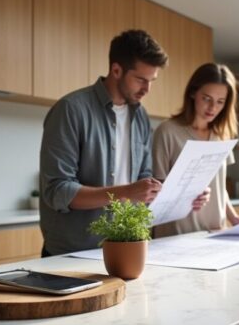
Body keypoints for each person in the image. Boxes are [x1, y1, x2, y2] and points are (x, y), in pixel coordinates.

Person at [39, 30, 172, 255]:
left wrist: (167, 193)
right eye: (140, 79)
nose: (147, 89)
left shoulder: (140, 116)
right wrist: (128, 192)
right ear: (116, 70)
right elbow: (58, 191)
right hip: (74, 253)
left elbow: (143, 176)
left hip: (126, 247)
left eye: (152, 81)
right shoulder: (71, 110)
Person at [152, 63, 239, 237]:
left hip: (216, 233)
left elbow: (219, 187)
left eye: (220, 102)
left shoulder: (222, 135)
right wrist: (187, 194)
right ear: (193, 93)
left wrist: (233, 218)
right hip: (175, 235)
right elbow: (155, 190)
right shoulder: (167, 132)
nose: (213, 108)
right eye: (207, 99)